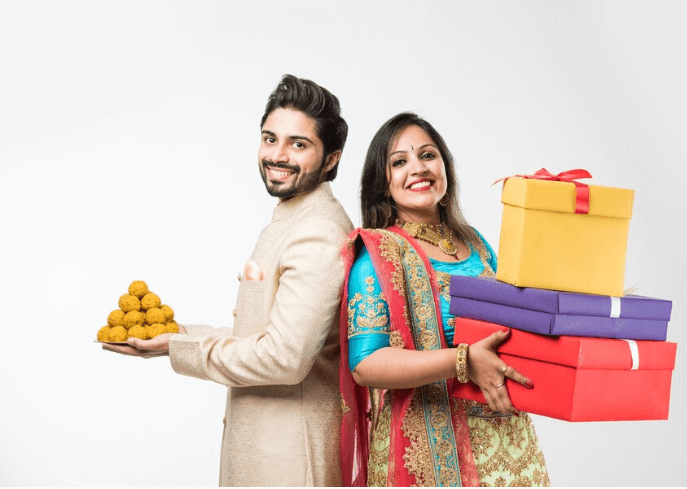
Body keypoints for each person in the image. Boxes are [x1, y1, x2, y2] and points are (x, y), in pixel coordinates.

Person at [104, 74, 354, 486]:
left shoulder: (318, 231)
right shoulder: (294, 217)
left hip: (289, 463)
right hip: (267, 452)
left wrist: (179, 347)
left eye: (299, 144)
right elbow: (263, 334)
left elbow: (284, 358)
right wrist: (179, 333)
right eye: (270, 138)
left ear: (330, 159)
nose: (278, 155)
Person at [339, 112, 550, 487]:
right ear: (382, 183)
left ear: (445, 166)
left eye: (427, 155)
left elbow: (510, 324)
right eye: (399, 162)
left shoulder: (477, 243)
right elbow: (366, 363)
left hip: (507, 440)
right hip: (429, 448)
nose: (417, 168)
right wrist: (462, 361)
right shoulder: (380, 254)